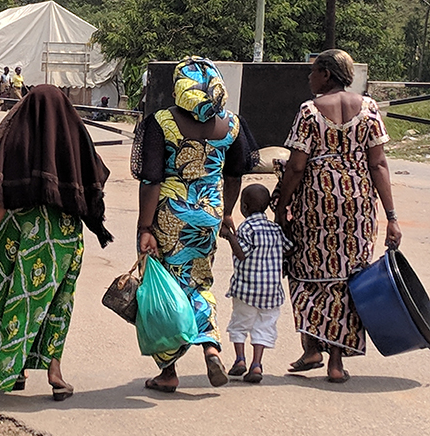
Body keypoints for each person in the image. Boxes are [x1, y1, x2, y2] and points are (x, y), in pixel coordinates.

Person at [0, 85, 113, 400]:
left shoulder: (20, 134)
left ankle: (14, 369)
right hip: (64, 235)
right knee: (57, 301)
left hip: (20, 228)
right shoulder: (73, 133)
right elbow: (95, 176)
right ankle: (55, 373)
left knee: (17, 296)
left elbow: (3, 191)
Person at [272, 49, 401, 384]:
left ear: (326, 74)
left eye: (313, 71)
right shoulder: (370, 108)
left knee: (305, 272)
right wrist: (392, 216)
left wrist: (283, 205)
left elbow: (297, 166)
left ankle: (313, 345)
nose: (310, 77)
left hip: (316, 206)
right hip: (358, 207)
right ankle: (336, 361)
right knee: (349, 280)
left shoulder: (310, 111)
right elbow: (379, 164)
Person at [132, 56, 259, 392]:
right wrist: (227, 213)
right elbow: (235, 175)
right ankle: (211, 347)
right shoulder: (230, 124)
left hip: (170, 215)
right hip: (208, 215)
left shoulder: (163, 122)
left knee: (166, 288)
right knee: (200, 281)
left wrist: (146, 228)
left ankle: (168, 372)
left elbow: (151, 179)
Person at [220, 184, 292, 384]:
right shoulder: (275, 229)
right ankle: (257, 364)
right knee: (263, 327)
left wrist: (229, 236)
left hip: (247, 290)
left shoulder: (247, 228)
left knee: (240, 324)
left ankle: (240, 360)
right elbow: (289, 249)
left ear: (243, 207)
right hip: (270, 293)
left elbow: (241, 253)